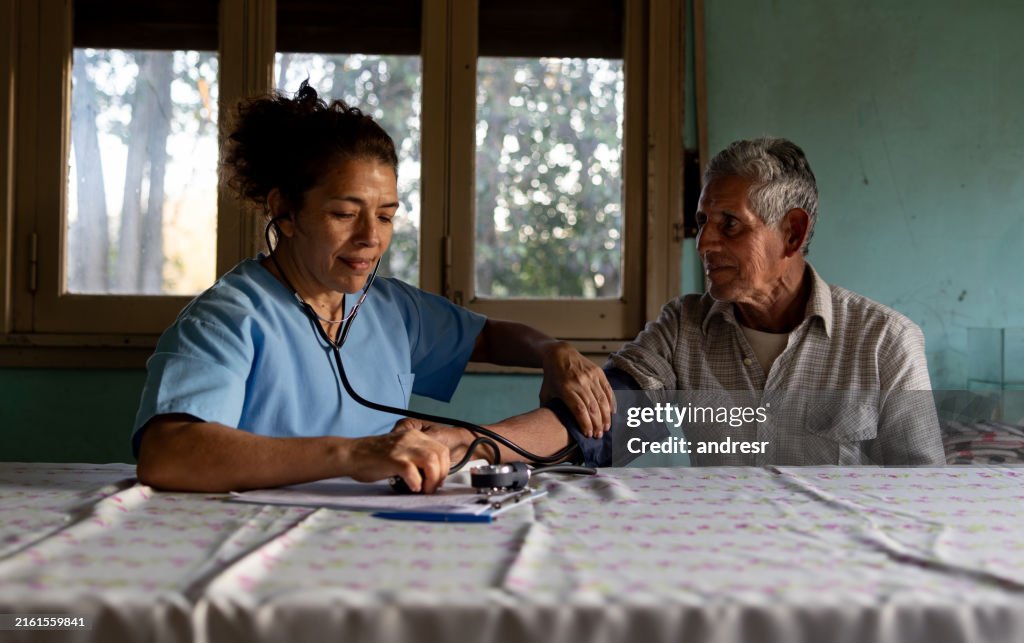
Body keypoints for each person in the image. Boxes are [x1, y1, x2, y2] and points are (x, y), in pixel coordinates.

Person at [132, 82, 613, 494]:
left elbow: (487, 337)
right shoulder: (229, 317)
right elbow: (167, 453)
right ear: (284, 211)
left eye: (385, 215)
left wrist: (554, 351)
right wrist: (356, 454)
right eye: (345, 213)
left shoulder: (388, 307)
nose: (371, 237)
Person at [436, 137, 946, 467]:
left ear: (792, 233)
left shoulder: (886, 342)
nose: (704, 244)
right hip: (721, 561)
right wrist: (467, 444)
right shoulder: (685, 328)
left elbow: (925, 495)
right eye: (703, 223)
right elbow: (597, 423)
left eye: (730, 226)